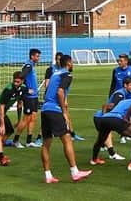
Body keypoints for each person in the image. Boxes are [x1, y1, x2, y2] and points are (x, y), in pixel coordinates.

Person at [39, 54, 92, 184]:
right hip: (54, 110)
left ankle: (48, 175)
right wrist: (64, 112)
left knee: (46, 143)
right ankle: (75, 172)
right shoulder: (66, 75)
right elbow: (60, 92)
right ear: (69, 63)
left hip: (45, 109)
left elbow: (48, 91)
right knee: (67, 139)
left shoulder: (54, 74)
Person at [0, 71, 25, 166]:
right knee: (0, 132)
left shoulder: (23, 89)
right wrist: (2, 124)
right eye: (14, 81)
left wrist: (18, 119)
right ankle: (1, 158)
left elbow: (20, 104)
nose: (15, 83)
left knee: (9, 131)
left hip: (2, 113)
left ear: (22, 81)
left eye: (17, 82)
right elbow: (1, 107)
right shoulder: (8, 90)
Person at [13, 48, 41, 149]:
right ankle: (15, 140)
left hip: (34, 97)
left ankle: (29, 141)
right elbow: (22, 76)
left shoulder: (32, 66)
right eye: (37, 56)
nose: (38, 58)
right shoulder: (28, 65)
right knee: (26, 119)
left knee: (33, 117)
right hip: (29, 97)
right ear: (32, 56)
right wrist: (26, 89)